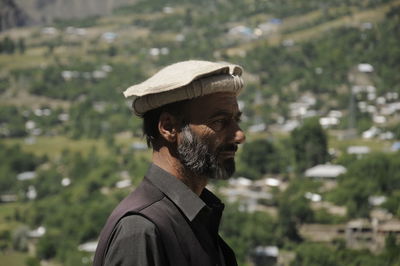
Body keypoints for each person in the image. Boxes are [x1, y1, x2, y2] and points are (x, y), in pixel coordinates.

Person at [93, 60, 246, 266]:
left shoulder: (195, 217)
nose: (239, 135)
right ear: (169, 127)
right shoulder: (141, 230)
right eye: (219, 122)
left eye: (237, 121)